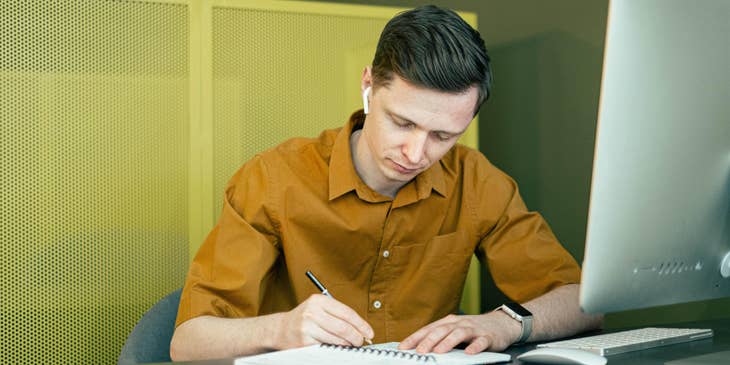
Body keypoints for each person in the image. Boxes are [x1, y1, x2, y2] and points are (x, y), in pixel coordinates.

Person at [170, 5, 602, 361]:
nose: (416, 154)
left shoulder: (477, 181)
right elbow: (188, 342)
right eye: (402, 123)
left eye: (442, 136)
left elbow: (582, 303)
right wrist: (282, 327)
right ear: (368, 87)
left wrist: (502, 323)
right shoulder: (274, 178)